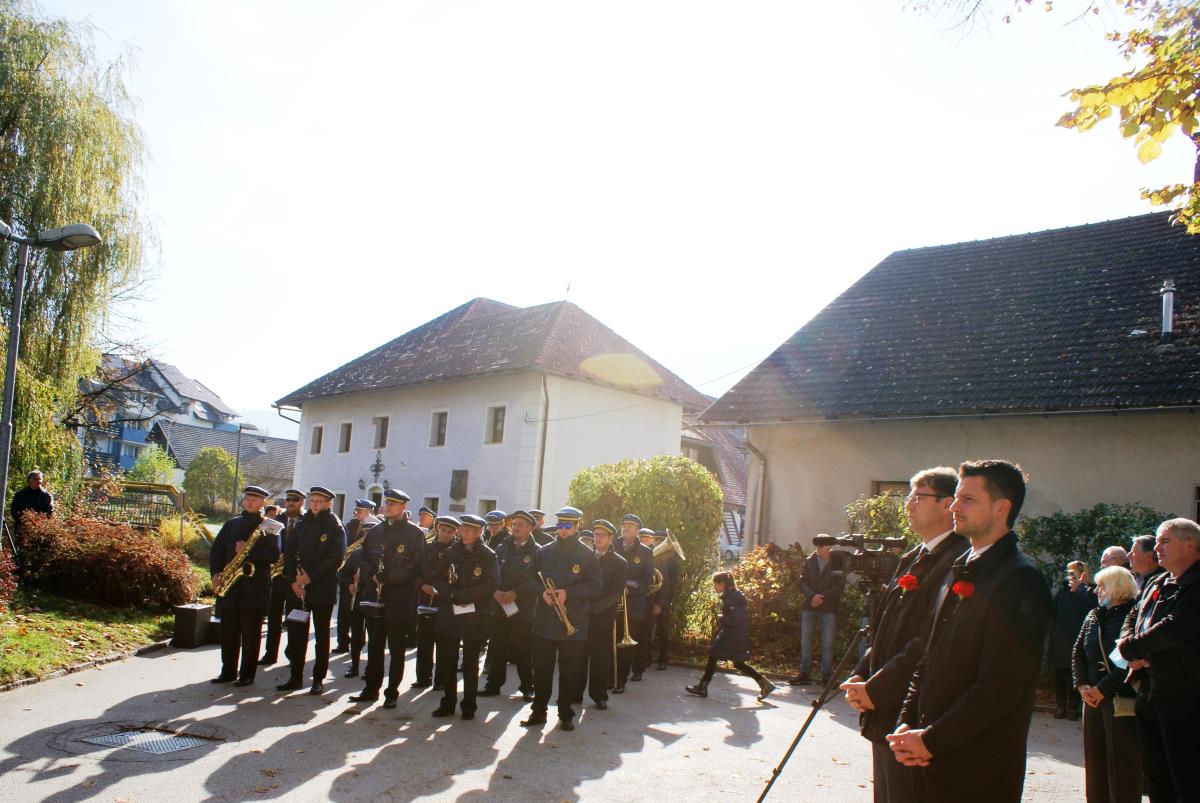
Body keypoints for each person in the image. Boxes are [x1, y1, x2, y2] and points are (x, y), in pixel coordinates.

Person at [888, 459, 1052, 803]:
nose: (955, 507)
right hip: (929, 756)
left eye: (968, 500)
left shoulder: (1020, 579)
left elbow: (1000, 687)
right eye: (956, 497)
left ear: (1001, 507)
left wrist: (931, 740)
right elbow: (929, 657)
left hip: (976, 768)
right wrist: (906, 723)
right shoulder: (959, 567)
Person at [842, 466, 966, 803]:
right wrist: (861, 675)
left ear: (947, 504)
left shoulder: (956, 561)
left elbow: (929, 639)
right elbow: (886, 629)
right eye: (909, 496)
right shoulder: (914, 557)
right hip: (883, 704)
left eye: (918, 497)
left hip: (912, 710)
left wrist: (877, 688)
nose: (908, 504)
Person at [1117, 518, 1200, 803]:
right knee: (1156, 777)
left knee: (1186, 778)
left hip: (1185, 695)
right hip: (1150, 691)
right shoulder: (1158, 580)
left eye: (1165, 541)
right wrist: (1129, 645)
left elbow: (1177, 626)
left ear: (1190, 544)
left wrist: (1133, 648)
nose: (1157, 548)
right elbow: (1133, 615)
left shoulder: (1196, 582)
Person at [519, 506, 601, 731]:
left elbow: (595, 586)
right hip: (544, 620)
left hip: (573, 620)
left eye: (568, 525)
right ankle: (538, 712)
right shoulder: (543, 551)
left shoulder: (587, 555)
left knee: (569, 671)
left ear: (577, 526)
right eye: (560, 525)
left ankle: (565, 714)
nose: (563, 530)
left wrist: (568, 593)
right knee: (542, 669)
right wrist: (541, 592)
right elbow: (529, 577)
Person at [347, 489, 426, 708]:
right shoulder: (375, 531)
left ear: (403, 507)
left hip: (398, 599)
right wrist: (371, 574)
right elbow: (363, 558)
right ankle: (371, 689)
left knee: (396, 648)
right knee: (374, 646)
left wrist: (389, 577)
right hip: (374, 596)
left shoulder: (414, 534)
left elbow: (416, 567)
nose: (389, 507)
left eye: (394, 504)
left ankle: (392, 692)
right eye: (387, 503)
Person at [1073, 565, 1141, 803]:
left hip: (1119, 698)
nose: (1097, 591)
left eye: (1101, 586)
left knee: (1122, 763)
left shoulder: (1133, 615)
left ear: (1117, 587)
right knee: (1095, 762)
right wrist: (1082, 685)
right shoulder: (1093, 614)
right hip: (1091, 698)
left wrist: (1102, 690)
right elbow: (1078, 650)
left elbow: (1128, 660)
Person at [277, 485, 346, 695]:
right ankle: (295, 676)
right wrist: (293, 580)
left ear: (329, 503)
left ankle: (318, 679)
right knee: (296, 635)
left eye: (319, 501)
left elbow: (336, 558)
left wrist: (311, 577)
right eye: (312, 501)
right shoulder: (301, 524)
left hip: (322, 588)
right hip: (298, 588)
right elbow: (289, 553)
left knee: (322, 636)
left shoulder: (335, 526)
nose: (314, 505)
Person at [209, 485, 280, 687]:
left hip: (254, 588)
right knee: (228, 632)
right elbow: (216, 550)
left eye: (255, 499)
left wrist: (248, 552)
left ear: (263, 502)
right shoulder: (232, 524)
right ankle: (228, 671)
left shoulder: (270, 526)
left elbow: (273, 555)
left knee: (251, 634)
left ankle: (247, 675)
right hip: (231, 587)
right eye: (248, 498)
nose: (250, 502)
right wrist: (215, 573)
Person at [431, 514, 499, 720]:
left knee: (470, 662)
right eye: (463, 529)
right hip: (451, 612)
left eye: (470, 529)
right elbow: (437, 578)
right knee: (448, 661)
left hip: (475, 614)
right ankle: (448, 702)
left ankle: (469, 705)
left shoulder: (488, 555)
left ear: (479, 532)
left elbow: (491, 583)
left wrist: (465, 596)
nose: (465, 533)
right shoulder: (451, 552)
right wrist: (452, 595)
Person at [685, 571, 774, 701]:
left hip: (732, 636)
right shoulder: (734, 596)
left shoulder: (730, 599)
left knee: (714, 655)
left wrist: (721, 618)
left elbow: (735, 619)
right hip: (737, 635)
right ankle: (764, 684)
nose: (714, 587)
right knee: (738, 663)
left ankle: (702, 687)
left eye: (715, 584)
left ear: (722, 584)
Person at [481, 509, 539, 700]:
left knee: (522, 648)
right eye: (513, 524)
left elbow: (535, 580)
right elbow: (491, 573)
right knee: (497, 646)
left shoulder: (537, 551)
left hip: (523, 608)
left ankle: (527, 686)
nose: (515, 528)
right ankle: (493, 684)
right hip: (500, 604)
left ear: (530, 528)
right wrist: (495, 591)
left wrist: (516, 593)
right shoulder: (502, 548)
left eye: (520, 525)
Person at [583, 519, 627, 710]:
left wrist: (596, 607)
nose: (597, 538)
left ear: (611, 538)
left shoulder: (619, 562)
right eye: (595, 534)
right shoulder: (585, 557)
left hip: (602, 616)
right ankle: (574, 693)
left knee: (600, 658)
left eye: (602, 535)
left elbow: (616, 592)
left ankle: (599, 696)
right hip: (582, 614)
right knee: (578, 657)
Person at [792, 537, 846, 685]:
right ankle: (805, 673)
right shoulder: (809, 561)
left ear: (828, 547)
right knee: (805, 641)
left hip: (829, 608)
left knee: (828, 643)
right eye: (816, 545)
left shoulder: (837, 561)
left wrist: (823, 597)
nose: (817, 548)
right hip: (810, 606)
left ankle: (827, 676)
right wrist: (812, 596)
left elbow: (840, 584)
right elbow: (802, 581)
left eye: (820, 546)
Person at [415, 515, 458, 691]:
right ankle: (423, 678)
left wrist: (445, 590)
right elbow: (416, 570)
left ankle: (440, 680)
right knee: (424, 642)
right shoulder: (426, 548)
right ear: (438, 528)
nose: (445, 534)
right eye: (443, 530)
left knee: (444, 644)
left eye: (450, 532)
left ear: (455, 533)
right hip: (426, 598)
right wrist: (422, 585)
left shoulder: (457, 551)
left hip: (446, 602)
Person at [261, 489, 304, 666]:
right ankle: (270, 654)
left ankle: (293, 654)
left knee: (295, 618)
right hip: (277, 577)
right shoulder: (274, 521)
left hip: (296, 577)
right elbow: (263, 543)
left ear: (301, 502)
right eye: (288, 499)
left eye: (295, 499)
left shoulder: (307, 522)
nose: (290, 502)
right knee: (273, 617)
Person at [1050, 560, 1097, 720]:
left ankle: (1073, 707)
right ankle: (1060, 706)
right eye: (1068, 572)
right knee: (1060, 674)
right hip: (1060, 640)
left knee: (1076, 674)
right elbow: (1053, 613)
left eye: (1073, 572)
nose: (1069, 576)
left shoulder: (1089, 592)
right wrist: (1053, 632)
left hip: (1079, 639)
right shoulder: (1062, 592)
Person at [335, 499, 379, 666]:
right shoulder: (357, 554)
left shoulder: (382, 555)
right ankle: (354, 664)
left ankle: (370, 668)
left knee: (373, 635)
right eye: (365, 535)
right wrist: (349, 584)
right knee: (356, 632)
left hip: (373, 598)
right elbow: (343, 573)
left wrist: (371, 579)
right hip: (357, 597)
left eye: (371, 535)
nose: (367, 538)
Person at [614, 514, 653, 692]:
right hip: (611, 603)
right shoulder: (613, 545)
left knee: (626, 646)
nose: (625, 528)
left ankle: (621, 680)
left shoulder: (646, 552)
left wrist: (632, 589)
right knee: (610, 643)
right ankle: (610, 678)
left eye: (630, 526)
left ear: (637, 530)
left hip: (633, 606)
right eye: (624, 525)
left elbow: (647, 580)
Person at [650, 533, 679, 671]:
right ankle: (645, 658)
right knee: (646, 632)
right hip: (650, 599)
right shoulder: (649, 555)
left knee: (663, 632)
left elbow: (668, 584)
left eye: (661, 540)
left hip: (663, 601)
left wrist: (660, 604)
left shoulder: (670, 559)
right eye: (656, 539)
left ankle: (663, 660)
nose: (658, 542)